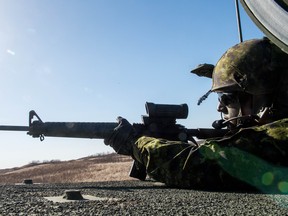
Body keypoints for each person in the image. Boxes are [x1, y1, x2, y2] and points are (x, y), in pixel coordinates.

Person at [104, 37, 288, 193]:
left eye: (227, 97)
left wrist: (136, 143)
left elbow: (201, 166)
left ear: (265, 98)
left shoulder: (279, 136)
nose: (219, 107)